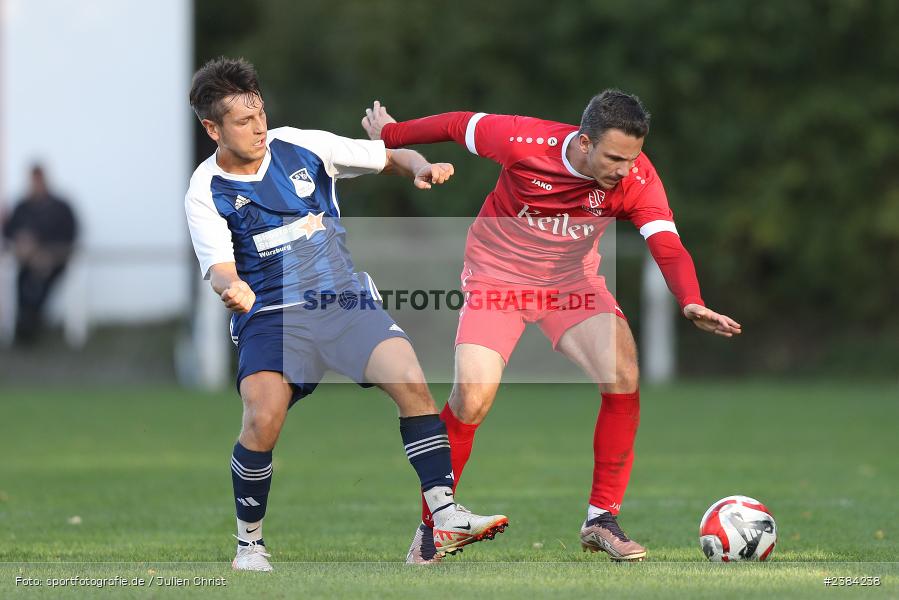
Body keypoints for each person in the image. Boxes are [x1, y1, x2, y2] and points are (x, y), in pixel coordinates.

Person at [362, 91, 742, 563]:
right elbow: (458, 124)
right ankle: (434, 525)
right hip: (497, 278)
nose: (626, 169)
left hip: (570, 285)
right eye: (615, 157)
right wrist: (391, 134)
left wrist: (691, 300)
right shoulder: (525, 141)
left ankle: (601, 517)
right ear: (584, 143)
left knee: (622, 373)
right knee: (472, 399)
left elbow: (666, 244)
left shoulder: (637, 178)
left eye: (633, 157)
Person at [185, 57, 507, 572]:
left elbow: (389, 155)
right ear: (212, 128)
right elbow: (219, 268)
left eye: (260, 113)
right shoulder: (206, 189)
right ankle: (249, 543)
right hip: (273, 315)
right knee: (262, 417)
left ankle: (444, 514)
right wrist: (234, 288)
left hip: (343, 302)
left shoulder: (302, 145)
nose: (259, 127)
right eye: (243, 122)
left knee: (410, 380)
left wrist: (421, 167)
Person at [2, 165, 78, 345]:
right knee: (21, 285)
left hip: (54, 262)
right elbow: (10, 232)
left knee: (40, 287)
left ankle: (30, 325)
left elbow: (70, 234)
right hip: (26, 263)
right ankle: (23, 328)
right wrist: (21, 241)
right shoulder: (22, 206)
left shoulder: (60, 206)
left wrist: (47, 252)